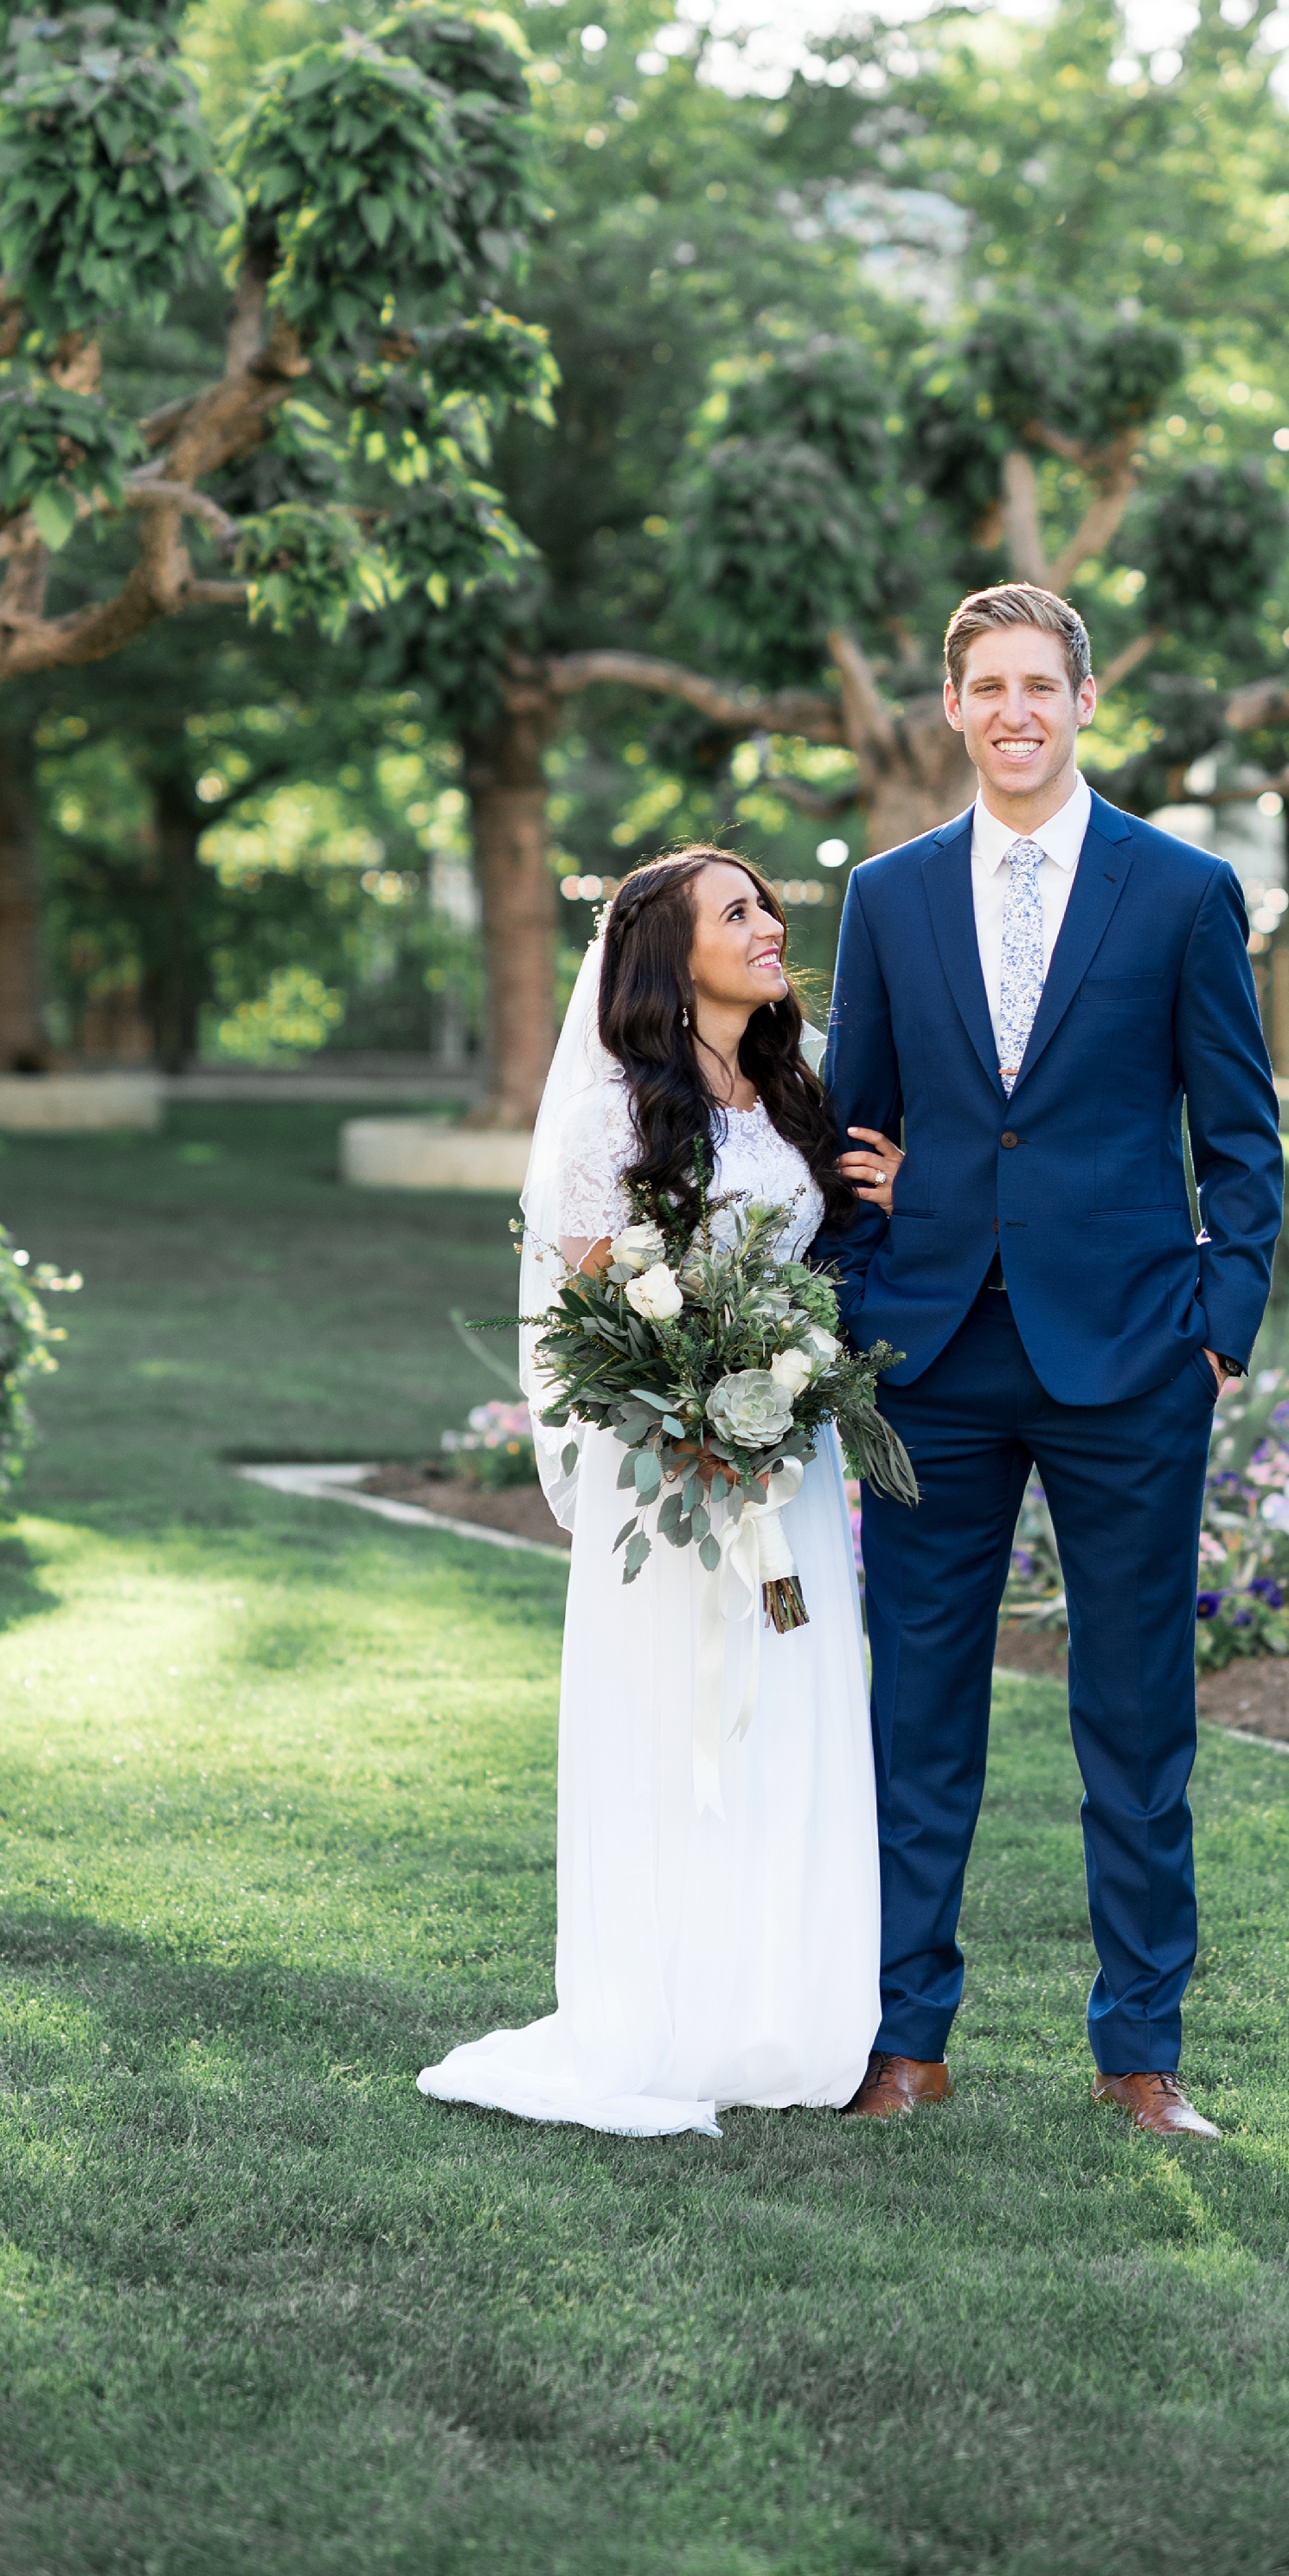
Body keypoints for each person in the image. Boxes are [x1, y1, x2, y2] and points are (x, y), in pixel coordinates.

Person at [819, 584, 1286, 2139]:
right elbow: (852, 1132)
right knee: (917, 1714)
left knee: (1138, 1716)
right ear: (951, 708)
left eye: (1042, 684)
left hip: (1132, 1360)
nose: (1015, 711)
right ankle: (905, 2036)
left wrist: (1219, 1329)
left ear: (1085, 703)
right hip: (934, 1358)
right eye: (987, 687)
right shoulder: (887, 896)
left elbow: (1240, 1134)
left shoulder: (1181, 888)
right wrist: (860, 1295)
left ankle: (1140, 2053)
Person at [417, 849, 891, 2139]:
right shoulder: (611, 1119)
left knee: (789, 1708)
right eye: (734, 913)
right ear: (668, 957)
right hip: (666, 1480)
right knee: (677, 1722)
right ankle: (660, 2009)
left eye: (767, 904)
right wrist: (685, 1417)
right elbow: (588, 1322)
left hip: (787, 1473)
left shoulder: (802, 1093)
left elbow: (838, 1254)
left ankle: (781, 2009)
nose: (769, 924)